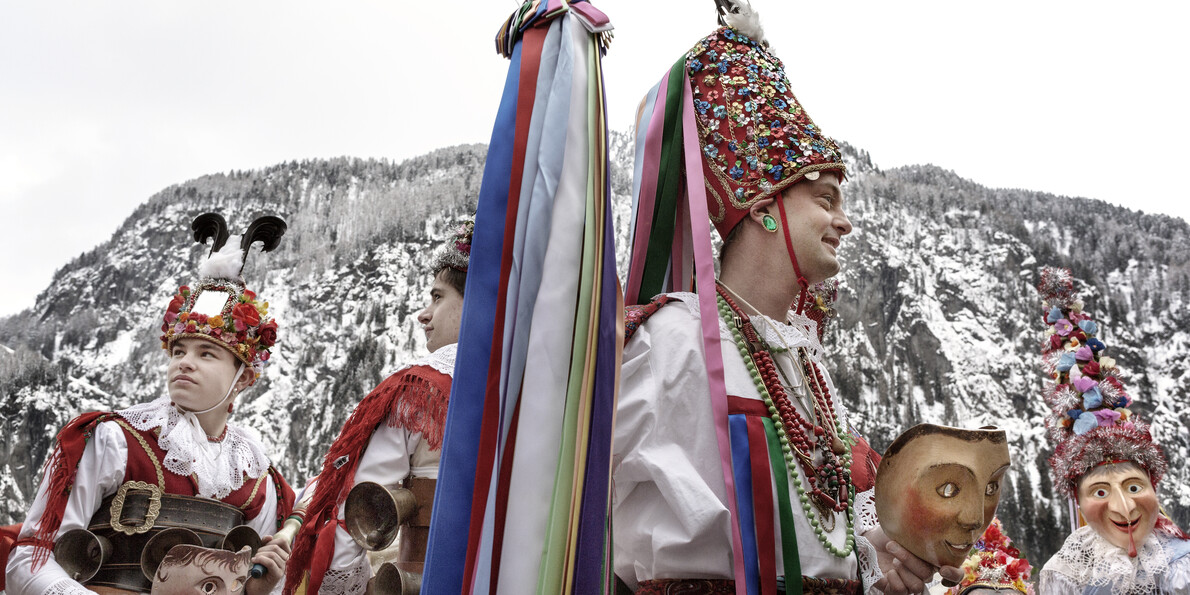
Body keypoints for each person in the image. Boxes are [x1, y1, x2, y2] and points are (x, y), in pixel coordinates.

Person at [613, 4, 959, 593]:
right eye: (825, 200)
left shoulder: (804, 359)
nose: (844, 222)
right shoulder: (676, 339)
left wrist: (874, 561)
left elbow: (809, 543)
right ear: (763, 206)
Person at [5, 213, 295, 595]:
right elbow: (30, 559)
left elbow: (247, 585)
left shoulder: (256, 478)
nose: (184, 362)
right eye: (178, 350)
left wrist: (259, 589)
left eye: (207, 353)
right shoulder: (114, 439)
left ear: (243, 377)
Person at [284, 222, 471, 595]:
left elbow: (357, 511)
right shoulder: (551, 393)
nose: (424, 313)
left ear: (477, 302)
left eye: (438, 297)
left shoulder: (422, 392)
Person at [1034, 267, 1190, 594]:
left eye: (1134, 487)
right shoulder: (1065, 574)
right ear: (1077, 500)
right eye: (1100, 492)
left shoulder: (1181, 566)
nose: (1124, 507)